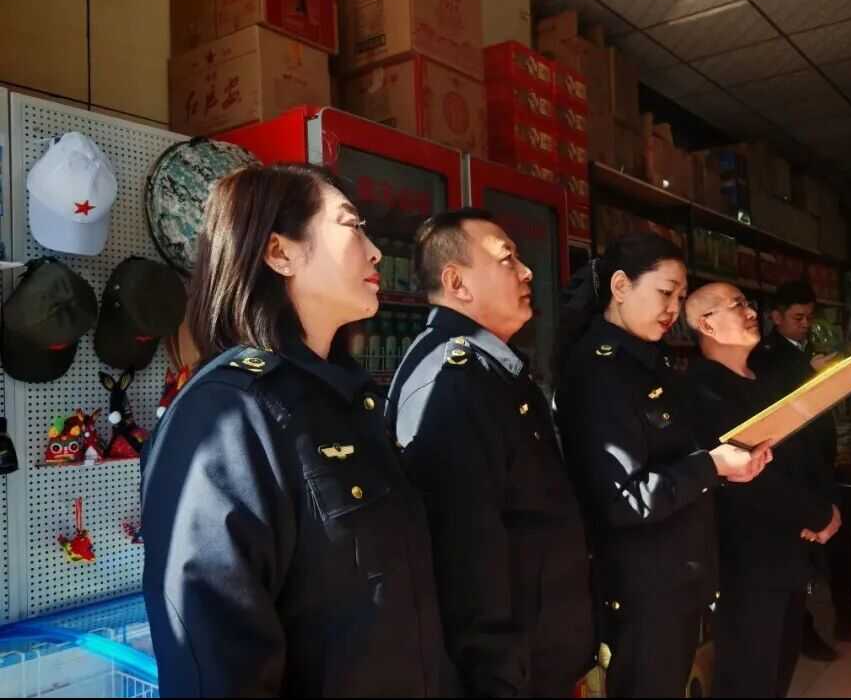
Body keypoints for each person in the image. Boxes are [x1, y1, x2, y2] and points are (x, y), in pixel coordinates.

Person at [141, 164, 454, 697]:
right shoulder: (226, 415)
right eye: (351, 226)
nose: (375, 252)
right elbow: (217, 668)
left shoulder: (349, 401)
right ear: (279, 253)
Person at [386, 208, 595, 698]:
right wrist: (496, 680)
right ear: (456, 282)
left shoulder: (494, 368)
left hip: (541, 652)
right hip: (511, 672)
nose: (527, 272)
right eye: (507, 260)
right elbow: (464, 555)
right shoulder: (453, 381)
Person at [554, 234, 773, 699]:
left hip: (676, 578)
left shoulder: (651, 360)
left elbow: (673, 457)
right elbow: (623, 498)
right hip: (643, 592)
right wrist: (712, 466)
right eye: (665, 292)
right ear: (620, 286)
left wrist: (728, 464)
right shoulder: (599, 372)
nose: (674, 309)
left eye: (680, 296)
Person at [684, 282, 837, 699]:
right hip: (746, 559)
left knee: (781, 664)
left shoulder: (764, 379)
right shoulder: (702, 389)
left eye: (748, 304)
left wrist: (821, 507)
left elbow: (796, 455)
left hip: (789, 546)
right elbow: (751, 480)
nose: (751, 312)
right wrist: (815, 514)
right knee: (749, 672)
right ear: (706, 325)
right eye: (737, 306)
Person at [751, 281, 851, 657]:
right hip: (792, 465)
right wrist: (807, 373)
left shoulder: (813, 346)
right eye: (797, 317)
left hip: (823, 459)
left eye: (809, 317)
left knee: (839, 543)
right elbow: (774, 408)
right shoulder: (764, 355)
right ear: (776, 317)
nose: (804, 324)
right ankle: (803, 631)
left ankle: (849, 617)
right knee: (801, 553)